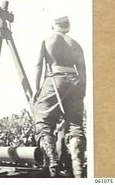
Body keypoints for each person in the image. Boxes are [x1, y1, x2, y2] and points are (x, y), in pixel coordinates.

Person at [32, 16, 86, 178]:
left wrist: (37, 88)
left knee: (42, 120)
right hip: (75, 82)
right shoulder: (75, 44)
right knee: (76, 126)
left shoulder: (47, 39)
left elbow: (39, 65)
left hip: (54, 80)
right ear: (68, 26)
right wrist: (82, 91)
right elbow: (82, 71)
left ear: (53, 25)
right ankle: (78, 170)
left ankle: (53, 164)